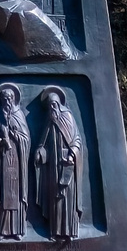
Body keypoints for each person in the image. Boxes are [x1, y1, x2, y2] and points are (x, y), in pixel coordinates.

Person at [33, 86, 84, 241]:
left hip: (67, 164)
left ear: (59, 104)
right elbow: (44, 145)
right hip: (53, 167)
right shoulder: (49, 121)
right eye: (49, 106)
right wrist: (40, 154)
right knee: (55, 198)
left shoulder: (67, 117)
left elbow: (77, 140)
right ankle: (55, 231)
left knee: (67, 198)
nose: (52, 108)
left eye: (54, 105)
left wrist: (71, 154)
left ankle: (69, 232)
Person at [0, 84, 27, 238]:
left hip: (16, 160)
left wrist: (16, 136)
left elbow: (26, 138)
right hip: (2, 160)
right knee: (4, 195)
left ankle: (16, 230)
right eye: (4, 99)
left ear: (14, 99)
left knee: (15, 195)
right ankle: (3, 230)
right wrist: (0, 140)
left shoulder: (19, 115)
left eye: (9, 98)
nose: (7, 101)